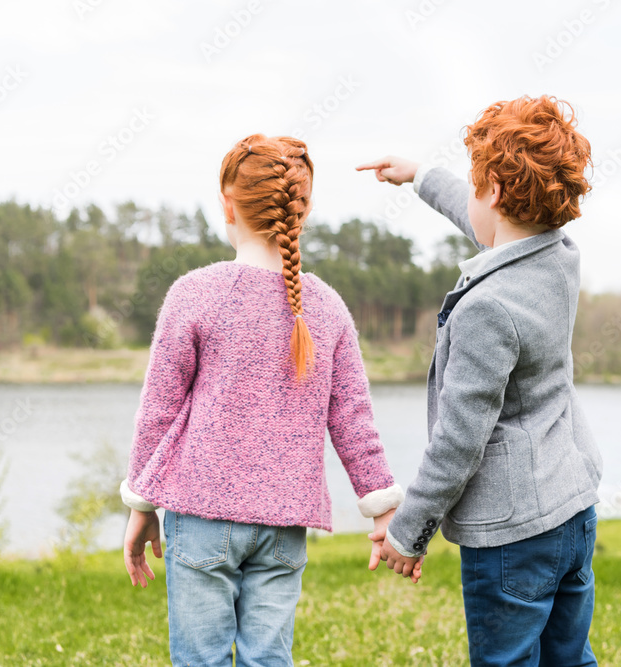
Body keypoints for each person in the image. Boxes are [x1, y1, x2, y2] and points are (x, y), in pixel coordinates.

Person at [120, 133, 413, 667]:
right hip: (283, 526)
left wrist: (141, 504)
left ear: (227, 206)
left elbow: (157, 412)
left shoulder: (193, 293)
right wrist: (383, 508)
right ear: (302, 211)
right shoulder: (328, 308)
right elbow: (353, 421)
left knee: (200, 660)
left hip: (202, 513)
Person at [357, 95, 604, 666]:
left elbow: (459, 441)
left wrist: (407, 532)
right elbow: (486, 224)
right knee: (569, 658)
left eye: (474, 185)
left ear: (493, 191)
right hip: (572, 510)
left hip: (514, 536)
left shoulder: (486, 309)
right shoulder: (557, 259)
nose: (469, 197)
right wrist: (421, 177)